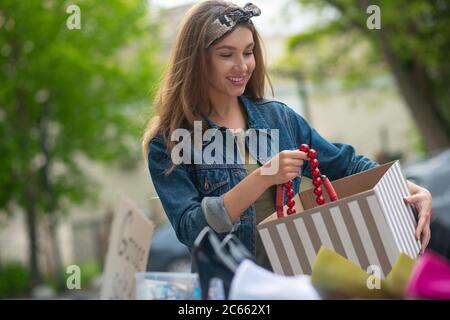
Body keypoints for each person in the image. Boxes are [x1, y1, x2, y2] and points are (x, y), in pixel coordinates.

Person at [142, 1, 432, 270]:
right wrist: (264, 176)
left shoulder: (278, 118)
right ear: (196, 60)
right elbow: (192, 230)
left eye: (248, 51)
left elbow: (348, 166)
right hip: (230, 286)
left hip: (295, 281)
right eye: (226, 55)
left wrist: (410, 190)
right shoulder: (169, 141)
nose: (242, 66)